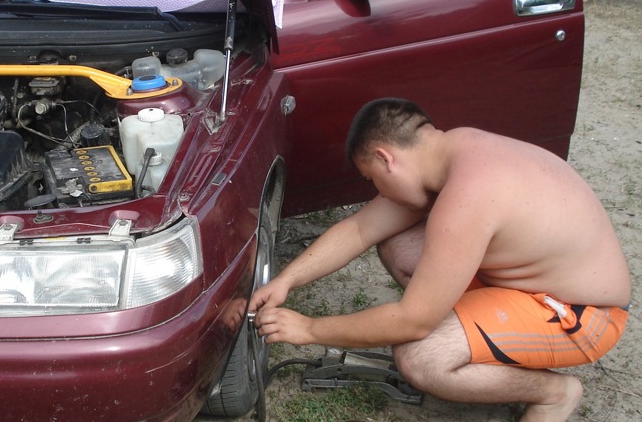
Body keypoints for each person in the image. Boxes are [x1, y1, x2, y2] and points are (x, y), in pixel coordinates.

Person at [250, 98, 630, 422]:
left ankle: (553, 393)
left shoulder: (468, 195)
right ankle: (473, 336)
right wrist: (286, 280)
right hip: (529, 282)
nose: (378, 191)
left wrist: (309, 329)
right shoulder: (453, 151)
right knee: (399, 245)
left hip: (582, 313)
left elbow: (412, 322)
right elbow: (360, 230)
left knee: (419, 356)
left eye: (372, 179)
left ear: (385, 158)